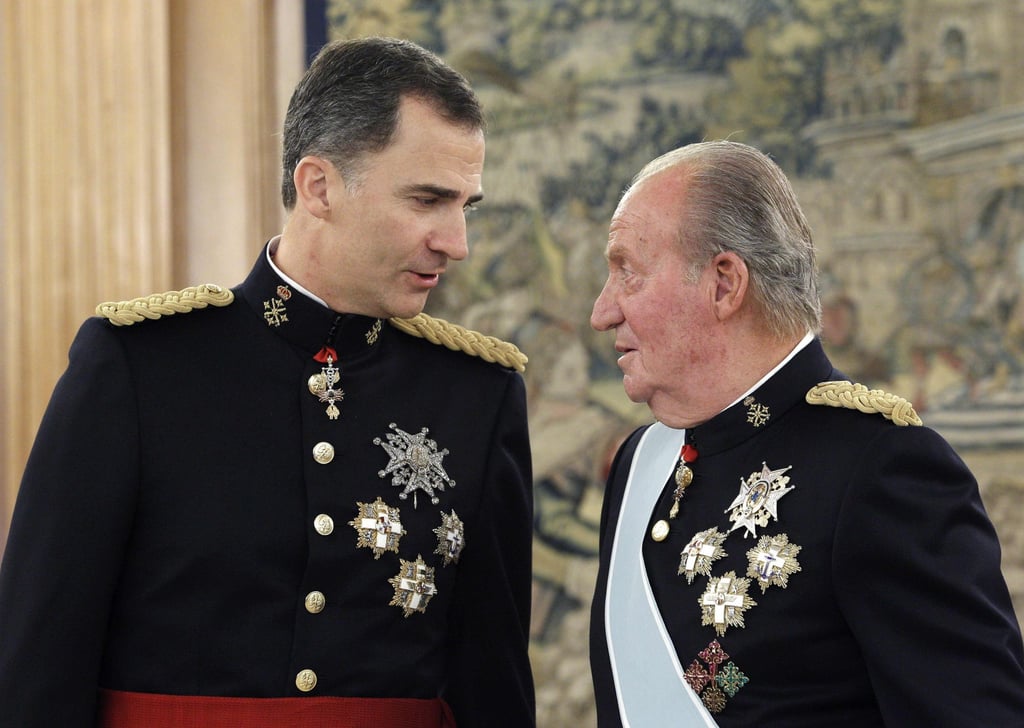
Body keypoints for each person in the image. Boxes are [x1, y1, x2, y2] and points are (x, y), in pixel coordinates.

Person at [0, 37, 535, 728]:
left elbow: (492, 684)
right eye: (428, 200)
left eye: (467, 206)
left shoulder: (477, 393)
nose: (456, 241)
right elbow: (37, 666)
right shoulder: (137, 365)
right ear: (319, 187)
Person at [587, 140, 1024, 726]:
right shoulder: (641, 462)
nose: (602, 311)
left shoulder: (881, 465)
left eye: (628, 274)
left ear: (723, 284)